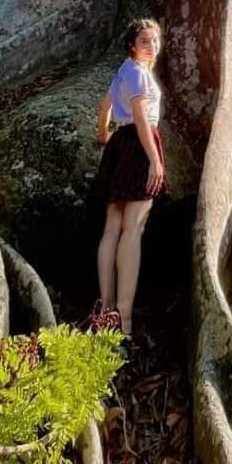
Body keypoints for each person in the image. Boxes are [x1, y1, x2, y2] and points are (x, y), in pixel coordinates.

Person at [95, 17, 167, 335]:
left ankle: (106, 306)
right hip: (140, 143)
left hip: (119, 145)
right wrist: (154, 160)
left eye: (155, 40)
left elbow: (104, 108)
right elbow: (140, 117)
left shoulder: (124, 71)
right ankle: (123, 319)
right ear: (132, 46)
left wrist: (103, 137)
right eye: (145, 42)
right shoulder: (138, 73)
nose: (152, 46)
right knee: (132, 230)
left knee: (113, 227)